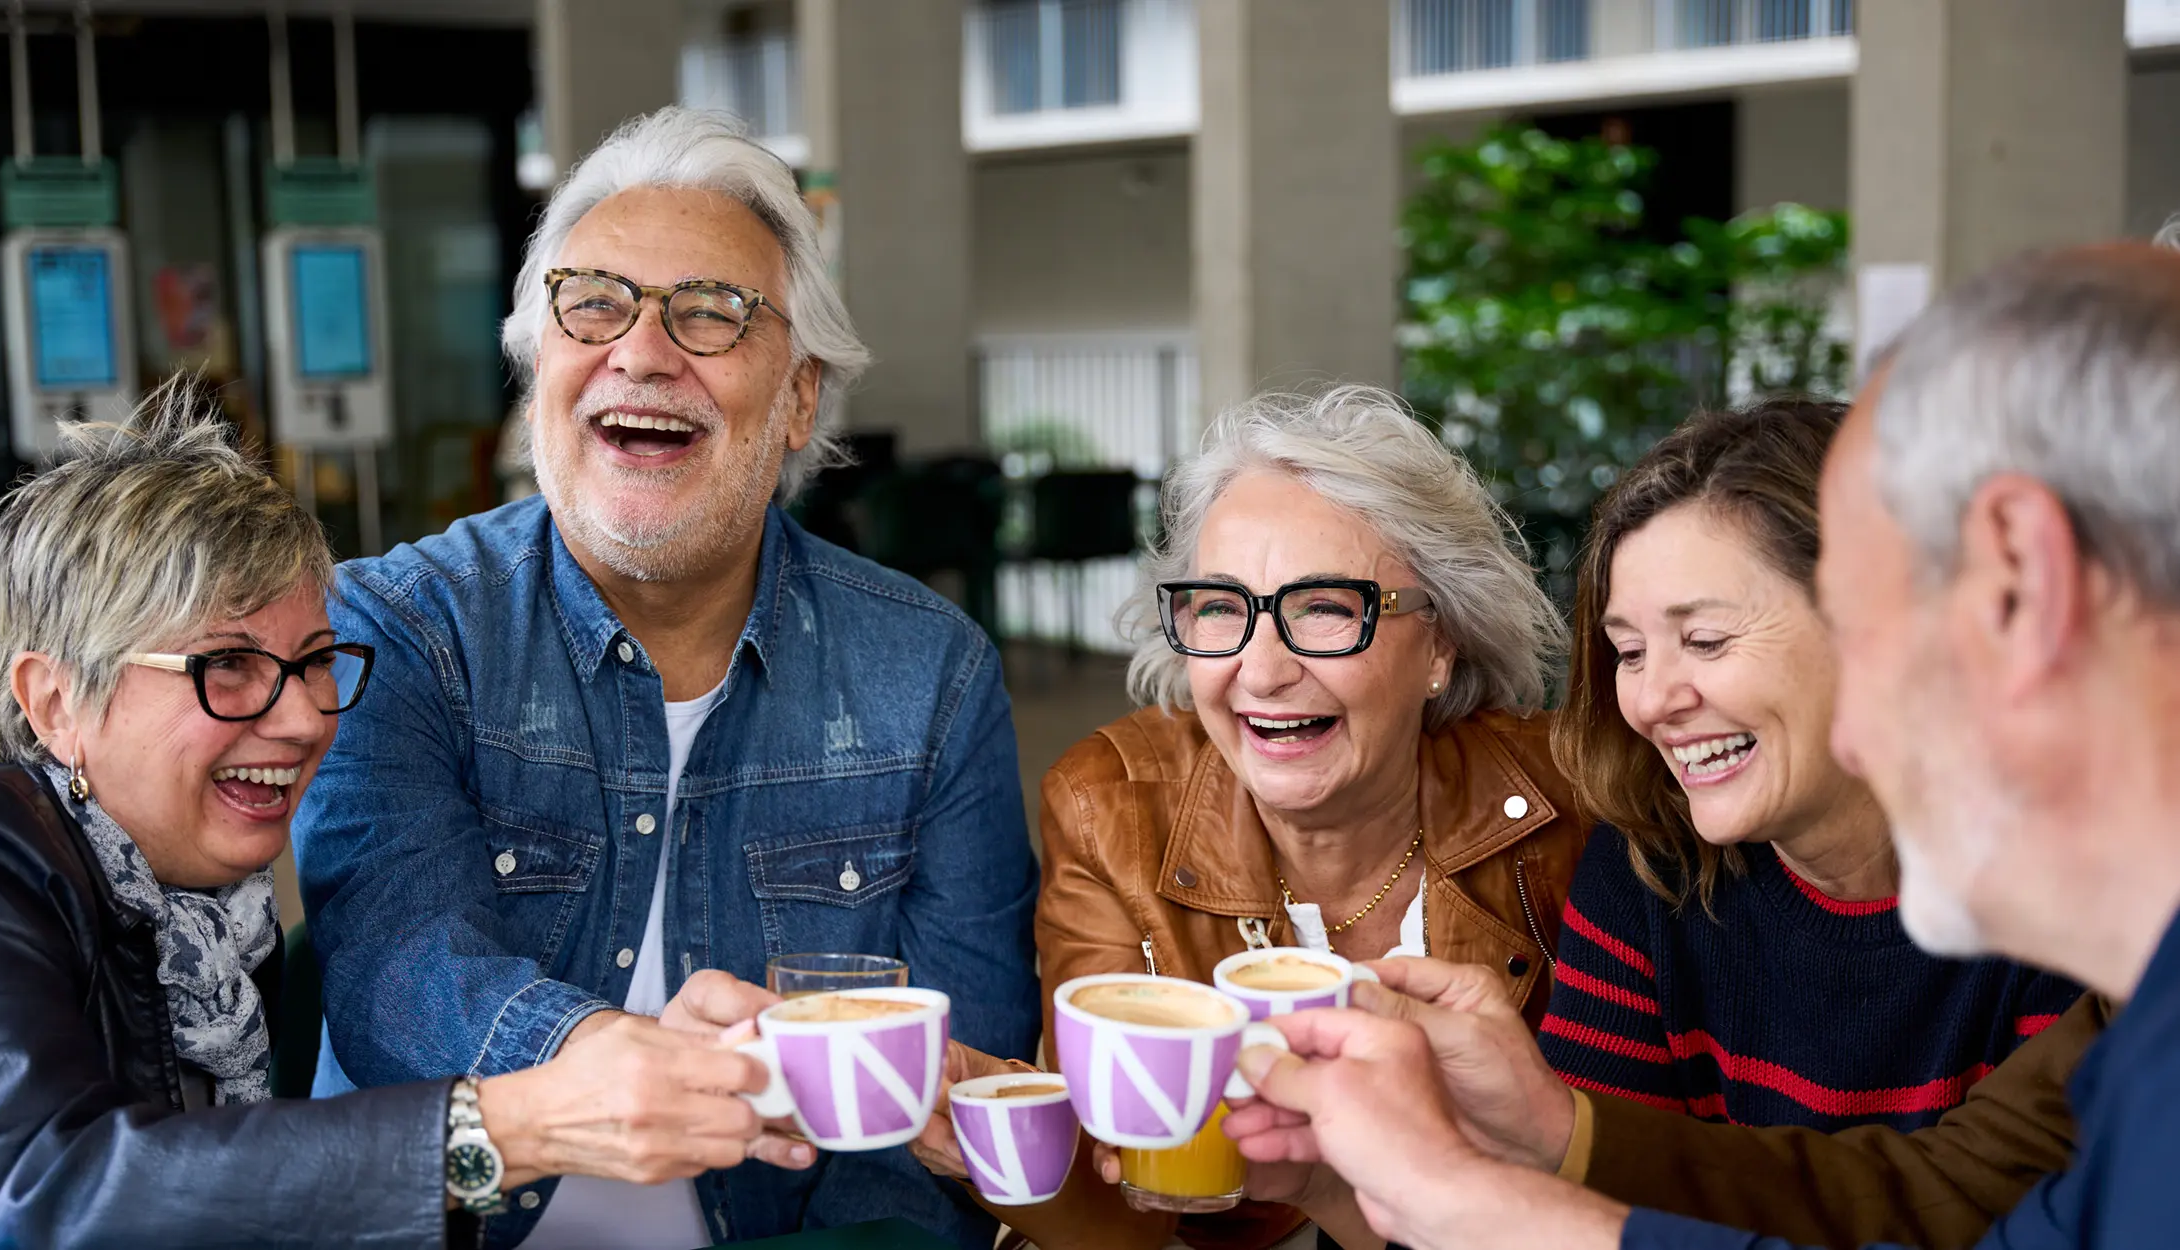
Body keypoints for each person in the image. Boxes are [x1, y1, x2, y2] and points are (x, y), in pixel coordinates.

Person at [1224, 243, 2180, 1250]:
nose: (1858, 728)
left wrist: (1488, 1201)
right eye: (1627, 651)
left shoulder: (2076, 929)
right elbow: (1946, 1194)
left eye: (1870, 621)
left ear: (2027, 581)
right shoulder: (2137, 986)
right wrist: (1513, 1154)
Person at [291, 107, 1041, 1250]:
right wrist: (605, 1058)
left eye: (712, 312)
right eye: (593, 302)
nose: (641, 351)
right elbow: (396, 975)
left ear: (797, 397)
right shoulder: (400, 622)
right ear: (539, 357)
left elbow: (936, 1107)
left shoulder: (931, 673)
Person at [0, 388, 811, 1248]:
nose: (304, 718)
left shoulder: (214, 913)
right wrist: (507, 1127)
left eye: (315, 662)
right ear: (55, 701)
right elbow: (42, 1196)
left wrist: (642, 1061)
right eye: (227, 664)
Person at [909, 386, 1592, 1249]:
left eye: (1325, 609)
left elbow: (1627, 1177)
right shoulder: (1110, 808)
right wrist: (995, 1134)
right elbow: (1131, 1221)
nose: (1261, 673)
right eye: (1223, 609)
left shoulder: (1571, 806)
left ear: (1441, 642)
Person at [1543, 398, 2078, 1129]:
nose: (1652, 701)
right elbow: (1585, 1206)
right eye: (1629, 653)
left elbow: (2017, 1206)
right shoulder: (1648, 870)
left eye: (1704, 640)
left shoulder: (2071, 882)